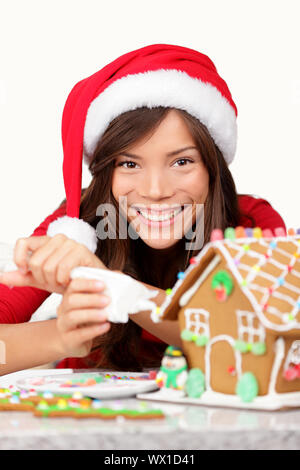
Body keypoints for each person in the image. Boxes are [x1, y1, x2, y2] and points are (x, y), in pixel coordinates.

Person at [0, 43, 286, 375]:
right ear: (108, 170)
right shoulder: (80, 220)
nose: (155, 191)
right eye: (130, 164)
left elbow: (255, 340)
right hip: (93, 422)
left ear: (212, 167)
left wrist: (113, 287)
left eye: (182, 161)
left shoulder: (252, 225)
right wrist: (61, 337)